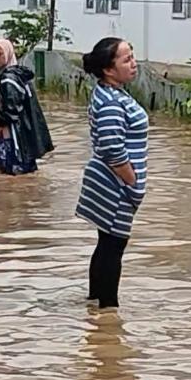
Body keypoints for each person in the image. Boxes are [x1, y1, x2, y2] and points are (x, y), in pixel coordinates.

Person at [76, 37, 148, 309]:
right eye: (126, 60)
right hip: (114, 185)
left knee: (107, 243)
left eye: (133, 57)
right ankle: (108, 312)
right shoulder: (110, 102)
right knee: (113, 246)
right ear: (108, 69)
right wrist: (131, 180)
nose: (134, 64)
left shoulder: (112, 93)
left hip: (111, 183)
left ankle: (96, 307)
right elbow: (111, 148)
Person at [0, 39, 53, 175]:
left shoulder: (9, 79)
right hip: (24, 137)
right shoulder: (19, 75)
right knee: (23, 175)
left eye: (0, 54)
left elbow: (11, 109)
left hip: (12, 136)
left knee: (5, 174)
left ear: (8, 54)